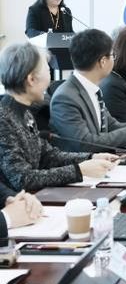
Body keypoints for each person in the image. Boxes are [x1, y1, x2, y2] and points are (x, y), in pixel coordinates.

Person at [0, 43, 118, 191]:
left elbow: (47, 156)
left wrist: (90, 158)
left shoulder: (25, 113)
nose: (50, 79)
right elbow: (22, 179)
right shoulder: (4, 119)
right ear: (31, 79)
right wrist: (79, 171)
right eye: (48, 71)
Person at [50, 29, 126, 152]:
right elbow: (85, 143)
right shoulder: (65, 97)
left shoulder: (92, 88)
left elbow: (110, 125)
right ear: (103, 61)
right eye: (112, 55)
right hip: (88, 161)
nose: (114, 60)